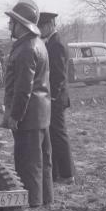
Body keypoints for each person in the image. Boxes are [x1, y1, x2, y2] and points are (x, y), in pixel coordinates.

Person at [2, 0, 52, 208]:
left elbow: (23, 88)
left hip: (28, 115)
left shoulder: (25, 49)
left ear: (20, 25)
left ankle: (32, 204)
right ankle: (45, 199)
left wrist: (15, 116)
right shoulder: (37, 43)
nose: (9, 25)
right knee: (41, 160)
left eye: (12, 21)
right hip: (40, 113)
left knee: (27, 162)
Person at [38, 11, 74, 184]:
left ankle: (67, 174)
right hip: (55, 97)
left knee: (59, 135)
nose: (40, 29)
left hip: (56, 98)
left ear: (51, 25)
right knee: (54, 135)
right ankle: (60, 173)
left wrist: (51, 98)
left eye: (42, 26)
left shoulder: (56, 44)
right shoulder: (52, 42)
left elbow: (58, 76)